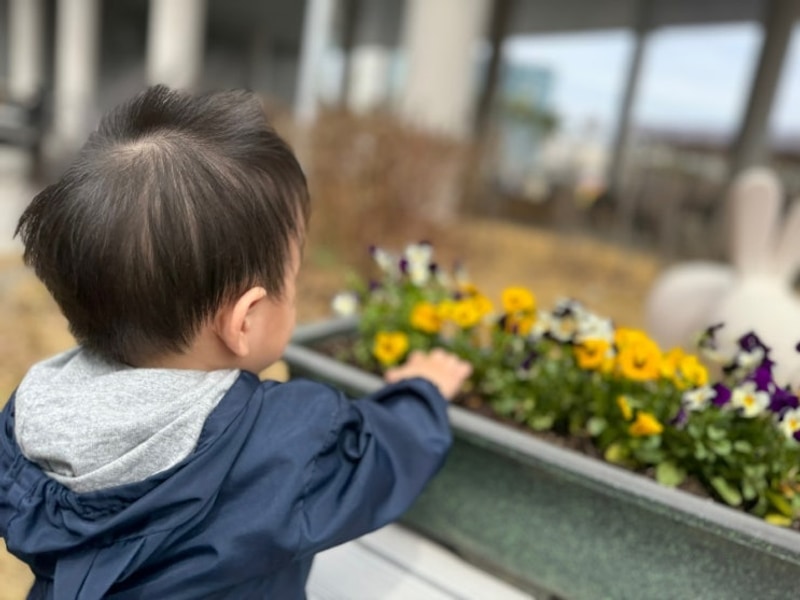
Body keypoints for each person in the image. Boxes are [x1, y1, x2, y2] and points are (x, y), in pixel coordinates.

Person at [0, 85, 472, 599]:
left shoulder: (29, 420)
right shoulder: (282, 445)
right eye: (291, 278)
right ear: (244, 320)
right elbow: (381, 456)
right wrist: (423, 391)